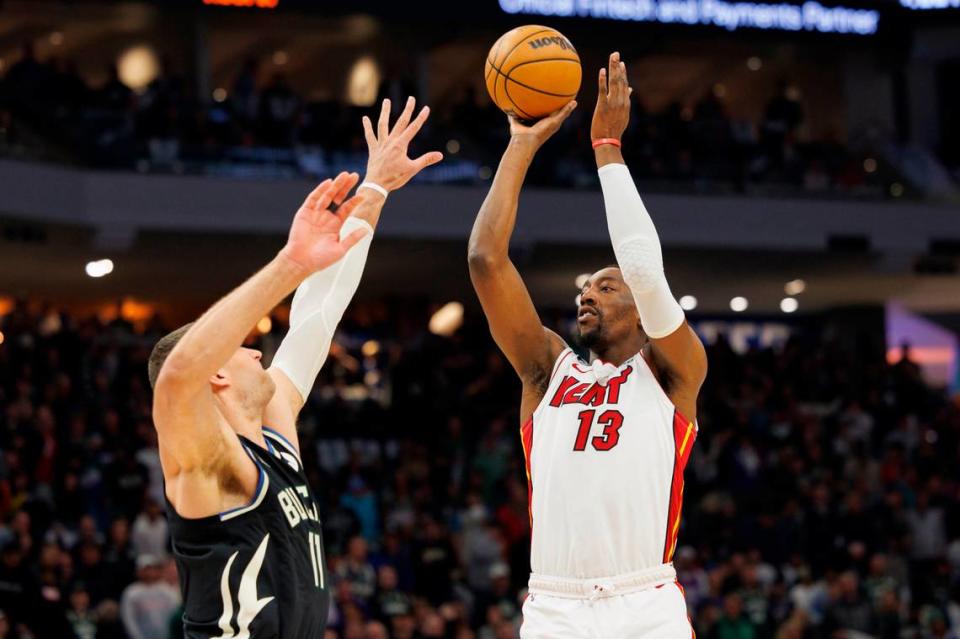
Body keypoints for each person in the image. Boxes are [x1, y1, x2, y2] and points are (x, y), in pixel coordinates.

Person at [149, 96, 442, 638]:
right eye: (242, 345)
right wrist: (289, 262)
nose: (260, 352)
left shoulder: (274, 432)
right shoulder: (209, 464)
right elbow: (177, 375)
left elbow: (318, 312)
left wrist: (375, 190)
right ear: (215, 374)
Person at [468, 52, 707, 638]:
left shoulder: (674, 371)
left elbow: (646, 274)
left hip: (644, 598)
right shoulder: (546, 372)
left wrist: (606, 148)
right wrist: (520, 146)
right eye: (584, 286)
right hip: (555, 603)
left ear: (641, 314)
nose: (588, 294)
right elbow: (484, 260)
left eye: (606, 285)